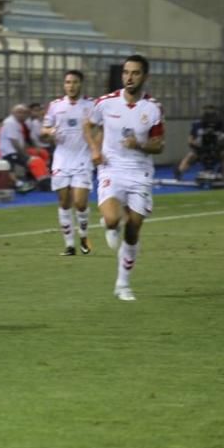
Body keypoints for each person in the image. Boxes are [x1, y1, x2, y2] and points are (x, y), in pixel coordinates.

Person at [84, 55, 164, 302]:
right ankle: (109, 223)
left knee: (133, 228)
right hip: (112, 168)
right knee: (111, 218)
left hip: (140, 172)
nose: (129, 77)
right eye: (126, 72)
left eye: (135, 73)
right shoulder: (106, 103)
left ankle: (123, 283)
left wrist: (139, 144)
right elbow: (89, 125)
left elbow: (158, 145)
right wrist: (95, 150)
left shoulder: (153, 108)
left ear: (145, 77)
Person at [40, 70, 95, 256]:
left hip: (83, 158)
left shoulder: (91, 105)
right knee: (64, 203)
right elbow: (43, 130)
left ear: (81, 84)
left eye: (75, 82)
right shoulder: (55, 106)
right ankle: (70, 245)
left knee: (79, 203)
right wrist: (49, 132)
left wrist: (97, 148)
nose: (71, 86)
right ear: (64, 85)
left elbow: (102, 127)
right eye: (68, 82)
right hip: (61, 159)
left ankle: (84, 236)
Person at [175, 104, 223, 180]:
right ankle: (179, 173)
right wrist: (197, 145)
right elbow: (190, 140)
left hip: (217, 149)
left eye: (211, 110)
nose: (209, 113)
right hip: (201, 149)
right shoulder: (197, 125)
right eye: (207, 110)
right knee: (191, 156)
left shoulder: (221, 125)